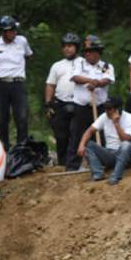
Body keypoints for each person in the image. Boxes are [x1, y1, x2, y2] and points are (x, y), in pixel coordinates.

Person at [0, 15, 33, 147]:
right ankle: (4, 148)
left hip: (18, 83)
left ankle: (22, 147)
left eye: (14, 30)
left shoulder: (22, 41)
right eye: (10, 31)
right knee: (2, 119)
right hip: (1, 84)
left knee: (21, 117)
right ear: (3, 32)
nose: (13, 33)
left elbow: (29, 56)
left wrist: (20, 69)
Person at [69, 35, 115, 170]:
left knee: (100, 135)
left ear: (98, 52)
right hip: (81, 106)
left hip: (100, 106)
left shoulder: (105, 66)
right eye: (86, 51)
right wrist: (91, 81)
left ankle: (101, 163)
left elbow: (107, 79)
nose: (88, 54)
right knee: (77, 134)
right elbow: (75, 77)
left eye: (91, 51)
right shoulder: (79, 63)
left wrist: (98, 83)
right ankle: (73, 165)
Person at [76, 97, 131, 185]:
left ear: (118, 109)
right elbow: (89, 131)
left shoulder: (130, 118)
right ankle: (98, 174)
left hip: (127, 156)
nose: (106, 111)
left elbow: (126, 139)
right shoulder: (104, 116)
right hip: (110, 154)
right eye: (105, 108)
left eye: (109, 109)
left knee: (125, 145)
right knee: (88, 144)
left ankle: (116, 176)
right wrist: (81, 145)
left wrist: (116, 124)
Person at [45, 33, 81, 168]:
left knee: (76, 134)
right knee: (61, 136)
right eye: (65, 46)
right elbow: (50, 84)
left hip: (79, 104)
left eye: (70, 46)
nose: (67, 49)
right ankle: (62, 162)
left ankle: (75, 163)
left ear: (76, 48)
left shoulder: (83, 63)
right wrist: (48, 103)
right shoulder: (57, 65)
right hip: (60, 103)